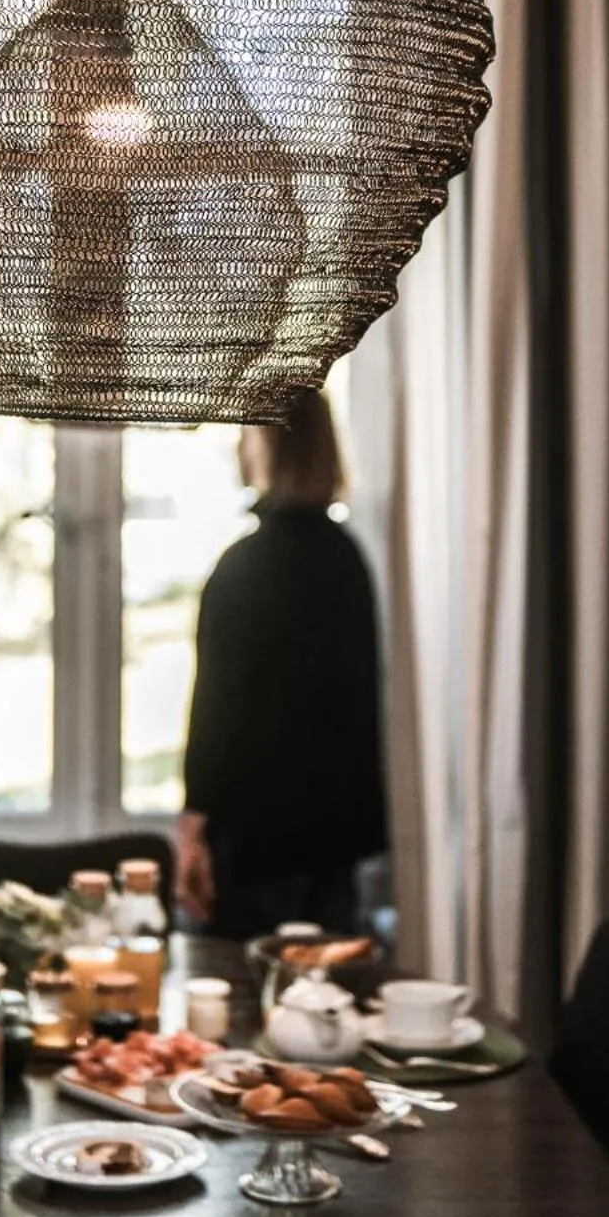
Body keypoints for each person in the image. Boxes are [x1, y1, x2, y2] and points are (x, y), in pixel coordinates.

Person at [175, 390, 388, 941]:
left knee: (243, 1003)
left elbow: (215, 711)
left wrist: (192, 829)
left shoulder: (245, 566)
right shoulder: (348, 561)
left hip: (254, 840)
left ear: (264, 446)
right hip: (332, 840)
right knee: (324, 1008)